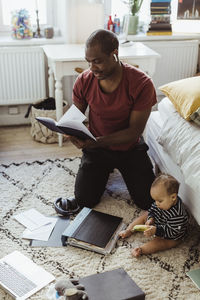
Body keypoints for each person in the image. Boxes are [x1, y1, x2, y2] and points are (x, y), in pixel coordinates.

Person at [66, 29, 157, 211]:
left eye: (97, 61)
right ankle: (102, 172)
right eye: (89, 62)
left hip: (130, 148)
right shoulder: (84, 80)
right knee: (84, 200)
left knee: (148, 202)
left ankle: (116, 171)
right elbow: (75, 116)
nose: (92, 68)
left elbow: (134, 132)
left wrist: (97, 142)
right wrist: (71, 132)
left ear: (114, 53)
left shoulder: (142, 84)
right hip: (97, 150)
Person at [119, 174, 189, 257]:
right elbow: (153, 209)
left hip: (172, 233)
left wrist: (156, 231)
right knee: (145, 215)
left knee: (161, 242)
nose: (156, 203)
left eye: (159, 201)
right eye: (155, 200)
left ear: (173, 197)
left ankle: (141, 249)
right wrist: (150, 219)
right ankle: (129, 230)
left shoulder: (178, 215)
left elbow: (172, 232)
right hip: (160, 221)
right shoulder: (160, 202)